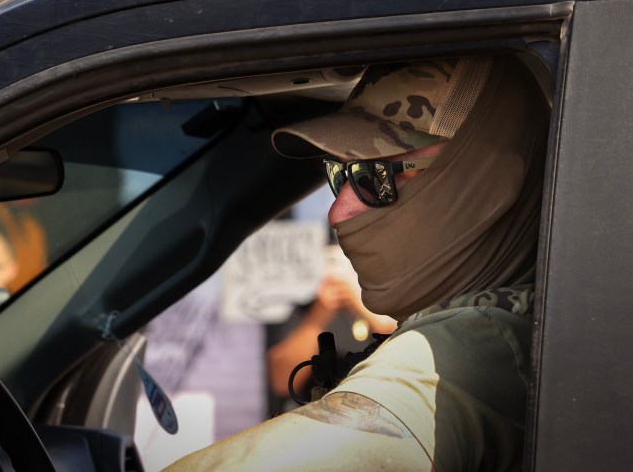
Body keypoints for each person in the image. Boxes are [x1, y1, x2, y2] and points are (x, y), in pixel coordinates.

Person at [165, 54, 548, 471]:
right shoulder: (520, 325)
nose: (338, 212)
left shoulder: (462, 352)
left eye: (376, 178)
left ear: (484, 183)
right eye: (340, 175)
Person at [267, 245, 397, 406]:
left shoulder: (386, 306)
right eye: (331, 261)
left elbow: (404, 348)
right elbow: (281, 381)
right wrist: (318, 317)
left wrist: (362, 303)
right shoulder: (304, 311)